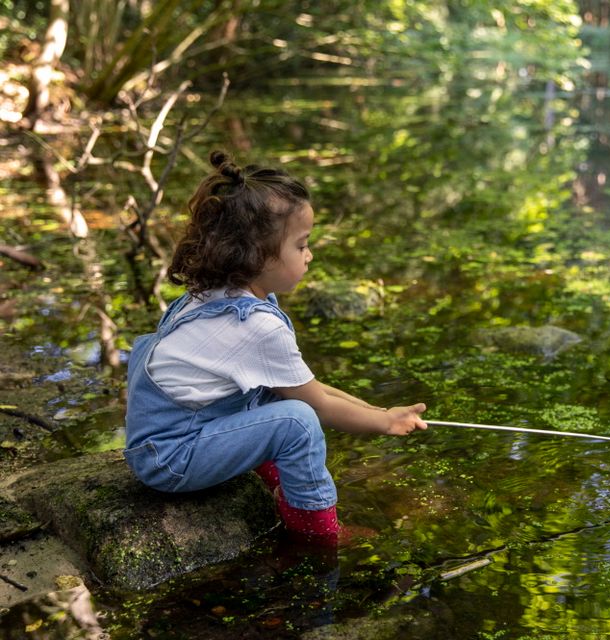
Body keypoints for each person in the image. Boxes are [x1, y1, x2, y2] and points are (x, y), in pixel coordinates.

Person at [124, 150, 428, 545]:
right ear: (258, 256)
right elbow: (316, 405)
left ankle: (274, 478)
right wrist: (386, 423)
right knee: (298, 421)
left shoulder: (218, 293)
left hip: (168, 437)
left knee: (274, 394)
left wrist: (374, 410)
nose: (310, 255)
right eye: (301, 246)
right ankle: (318, 533)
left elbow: (306, 385)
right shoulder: (255, 326)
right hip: (171, 458)